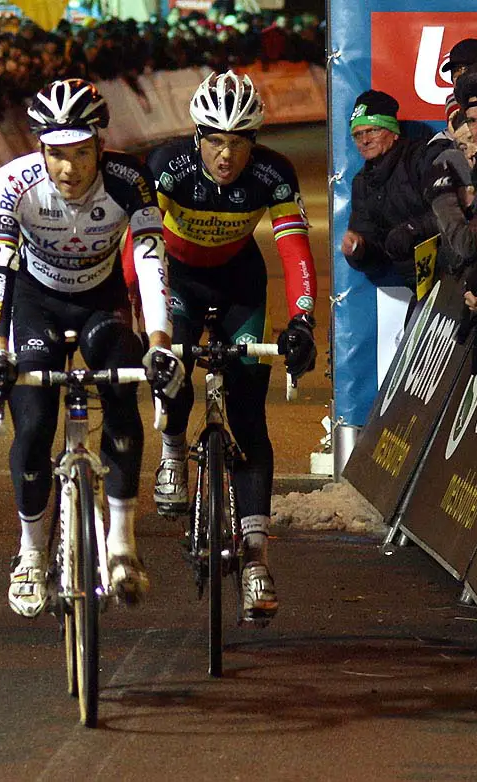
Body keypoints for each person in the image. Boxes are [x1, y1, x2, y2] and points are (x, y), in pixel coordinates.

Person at [0, 78, 184, 618]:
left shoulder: (129, 179)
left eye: (81, 154)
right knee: (35, 419)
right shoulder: (13, 182)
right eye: (56, 155)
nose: (68, 170)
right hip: (35, 301)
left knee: (121, 388)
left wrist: (160, 343)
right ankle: (28, 554)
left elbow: (151, 259)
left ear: (100, 144)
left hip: (101, 300)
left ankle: (122, 546)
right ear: (40, 148)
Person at [145, 70, 318, 622]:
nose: (226, 154)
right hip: (178, 281)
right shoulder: (167, 165)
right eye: (215, 140)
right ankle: (173, 447)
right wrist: (146, 319)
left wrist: (303, 320)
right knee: (171, 366)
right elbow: (140, 243)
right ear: (197, 138)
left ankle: (257, 558)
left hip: (241, 282)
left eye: (238, 141)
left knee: (248, 418)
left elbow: (294, 251)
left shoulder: (273, 173)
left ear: (254, 141)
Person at [342, 88, 447, 287]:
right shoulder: (362, 183)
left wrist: (411, 230)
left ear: (393, 132)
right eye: (357, 135)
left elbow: (453, 212)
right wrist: (359, 249)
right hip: (421, 285)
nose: (364, 140)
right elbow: (377, 259)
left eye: (372, 130)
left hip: (456, 271)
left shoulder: (422, 159)